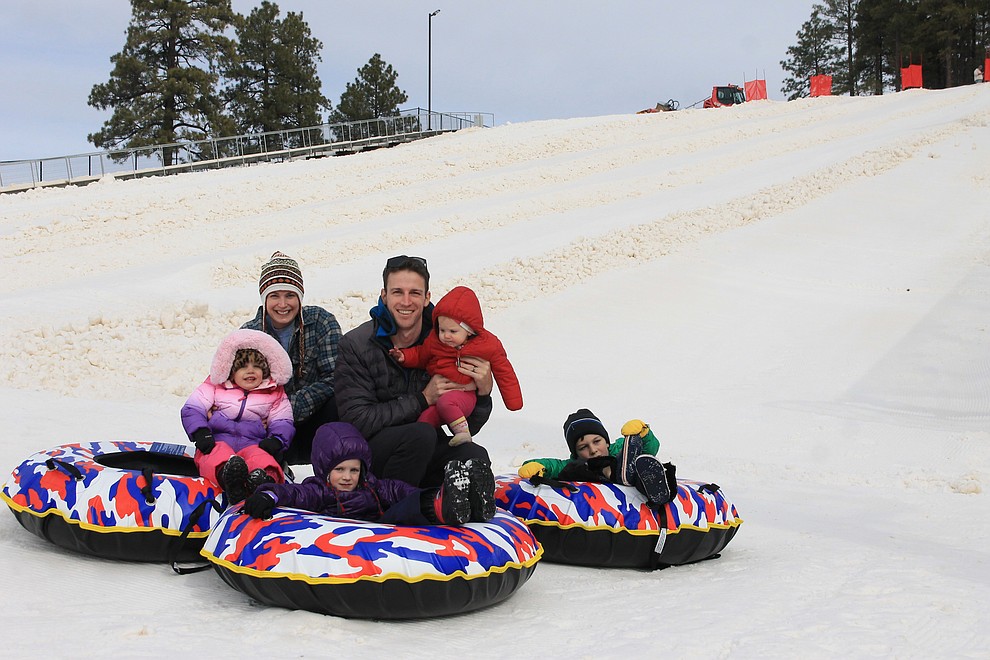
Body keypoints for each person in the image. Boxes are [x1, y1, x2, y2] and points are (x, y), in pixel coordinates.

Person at [335, 255, 495, 492]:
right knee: (420, 435)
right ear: (384, 295)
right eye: (398, 292)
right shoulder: (356, 344)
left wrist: (482, 394)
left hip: (425, 445)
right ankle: (393, 507)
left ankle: (459, 510)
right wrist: (423, 399)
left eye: (415, 293)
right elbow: (358, 421)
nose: (406, 301)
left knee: (473, 454)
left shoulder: (449, 340)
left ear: (427, 297)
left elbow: (462, 425)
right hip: (371, 454)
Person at [241, 422, 497, 525]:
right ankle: (444, 504)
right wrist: (268, 496)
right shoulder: (318, 490)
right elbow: (292, 493)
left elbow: (400, 490)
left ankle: (468, 501)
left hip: (381, 526)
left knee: (407, 504)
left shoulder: (371, 486)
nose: (347, 477)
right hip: (364, 535)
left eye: (354, 470)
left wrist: (423, 494)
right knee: (401, 515)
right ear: (324, 470)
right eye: (339, 470)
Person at [242, 251, 342, 465]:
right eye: (275, 296)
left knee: (341, 401)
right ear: (264, 298)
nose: (283, 304)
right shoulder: (248, 335)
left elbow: (335, 377)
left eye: (290, 295)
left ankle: (335, 468)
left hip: (313, 419)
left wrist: (289, 407)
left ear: (300, 297)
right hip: (268, 427)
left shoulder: (321, 321)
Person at [390, 285, 522, 446]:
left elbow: (504, 371)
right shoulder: (435, 341)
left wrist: (513, 401)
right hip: (439, 398)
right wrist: (404, 356)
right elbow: (421, 354)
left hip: (464, 395)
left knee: (448, 403)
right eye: (442, 329)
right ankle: (420, 450)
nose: (445, 336)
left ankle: (462, 433)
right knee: (424, 421)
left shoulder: (487, 345)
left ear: (469, 331)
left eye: (452, 331)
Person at [181, 329, 295, 504]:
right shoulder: (216, 385)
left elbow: (283, 420)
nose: (250, 371)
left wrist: (276, 440)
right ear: (231, 370)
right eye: (243, 366)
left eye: (257, 366)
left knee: (262, 458)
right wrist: (201, 432)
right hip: (218, 440)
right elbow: (193, 408)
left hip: (253, 442)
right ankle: (228, 478)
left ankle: (263, 481)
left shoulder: (273, 392)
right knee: (214, 455)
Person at [517, 408, 676, 506]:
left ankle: (652, 483)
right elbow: (553, 465)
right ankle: (622, 473)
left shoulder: (621, 447)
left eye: (597, 441)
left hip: (633, 477)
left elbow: (650, 448)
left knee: (633, 460)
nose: (593, 450)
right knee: (586, 468)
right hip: (600, 477)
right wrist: (537, 466)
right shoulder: (575, 464)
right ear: (576, 453)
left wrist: (644, 433)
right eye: (583, 447)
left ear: (606, 442)